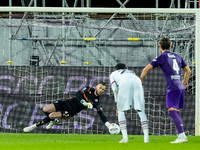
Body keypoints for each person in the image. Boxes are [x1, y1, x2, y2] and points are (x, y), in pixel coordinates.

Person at [140, 37, 191, 143]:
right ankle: (181, 135)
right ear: (170, 46)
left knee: (172, 111)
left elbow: (145, 69)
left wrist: (140, 83)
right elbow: (188, 71)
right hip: (180, 87)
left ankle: (182, 136)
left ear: (160, 46)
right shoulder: (178, 56)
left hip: (172, 87)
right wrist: (184, 83)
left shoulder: (162, 57)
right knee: (175, 111)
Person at [23, 82, 112, 132]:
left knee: (51, 116)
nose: (101, 90)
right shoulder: (88, 88)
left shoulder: (96, 102)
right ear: (97, 86)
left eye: (103, 89)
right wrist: (84, 102)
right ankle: (54, 121)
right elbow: (78, 94)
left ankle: (33, 127)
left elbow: (101, 114)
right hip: (66, 103)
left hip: (71, 111)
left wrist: (108, 125)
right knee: (45, 109)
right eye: (100, 87)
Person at [109, 63, 149, 143]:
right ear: (125, 68)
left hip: (124, 83)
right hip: (138, 82)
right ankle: (146, 139)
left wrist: (117, 104)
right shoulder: (131, 72)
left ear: (116, 69)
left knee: (121, 111)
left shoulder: (113, 74)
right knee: (141, 111)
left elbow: (114, 89)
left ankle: (125, 138)